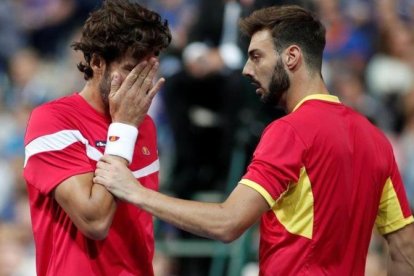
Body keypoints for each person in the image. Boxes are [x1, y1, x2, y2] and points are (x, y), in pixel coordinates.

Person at [94, 5, 414, 275]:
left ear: (291, 57)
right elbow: (404, 248)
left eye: (256, 56)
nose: (247, 69)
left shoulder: (290, 131)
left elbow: (228, 222)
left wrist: (134, 192)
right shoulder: (376, 140)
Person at [23, 0, 171, 275]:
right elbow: (94, 221)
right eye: (130, 69)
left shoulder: (145, 125)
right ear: (97, 62)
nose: (142, 82)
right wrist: (123, 129)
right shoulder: (53, 119)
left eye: (149, 70)